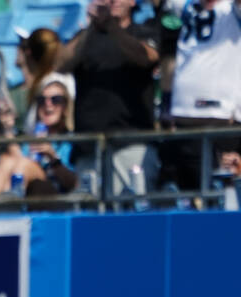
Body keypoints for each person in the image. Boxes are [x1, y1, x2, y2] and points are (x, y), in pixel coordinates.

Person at [56, 0, 160, 198]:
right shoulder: (86, 38)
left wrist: (111, 26)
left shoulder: (144, 31)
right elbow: (60, 64)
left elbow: (144, 57)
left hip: (131, 143)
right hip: (89, 146)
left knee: (131, 214)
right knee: (89, 216)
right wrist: (92, 25)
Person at [157, 0, 241, 191]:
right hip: (182, 121)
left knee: (220, 196)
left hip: (220, 120)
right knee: (188, 198)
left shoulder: (230, 9)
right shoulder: (183, 5)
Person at [0, 74, 78, 216]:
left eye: (56, 100)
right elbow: (17, 159)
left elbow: (74, 183)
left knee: (21, 163)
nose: (48, 104)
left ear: (65, 107)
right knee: (7, 160)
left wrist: (53, 158)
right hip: (29, 190)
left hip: (55, 195)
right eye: (41, 100)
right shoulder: (32, 136)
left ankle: (8, 204)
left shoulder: (72, 139)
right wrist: (7, 129)